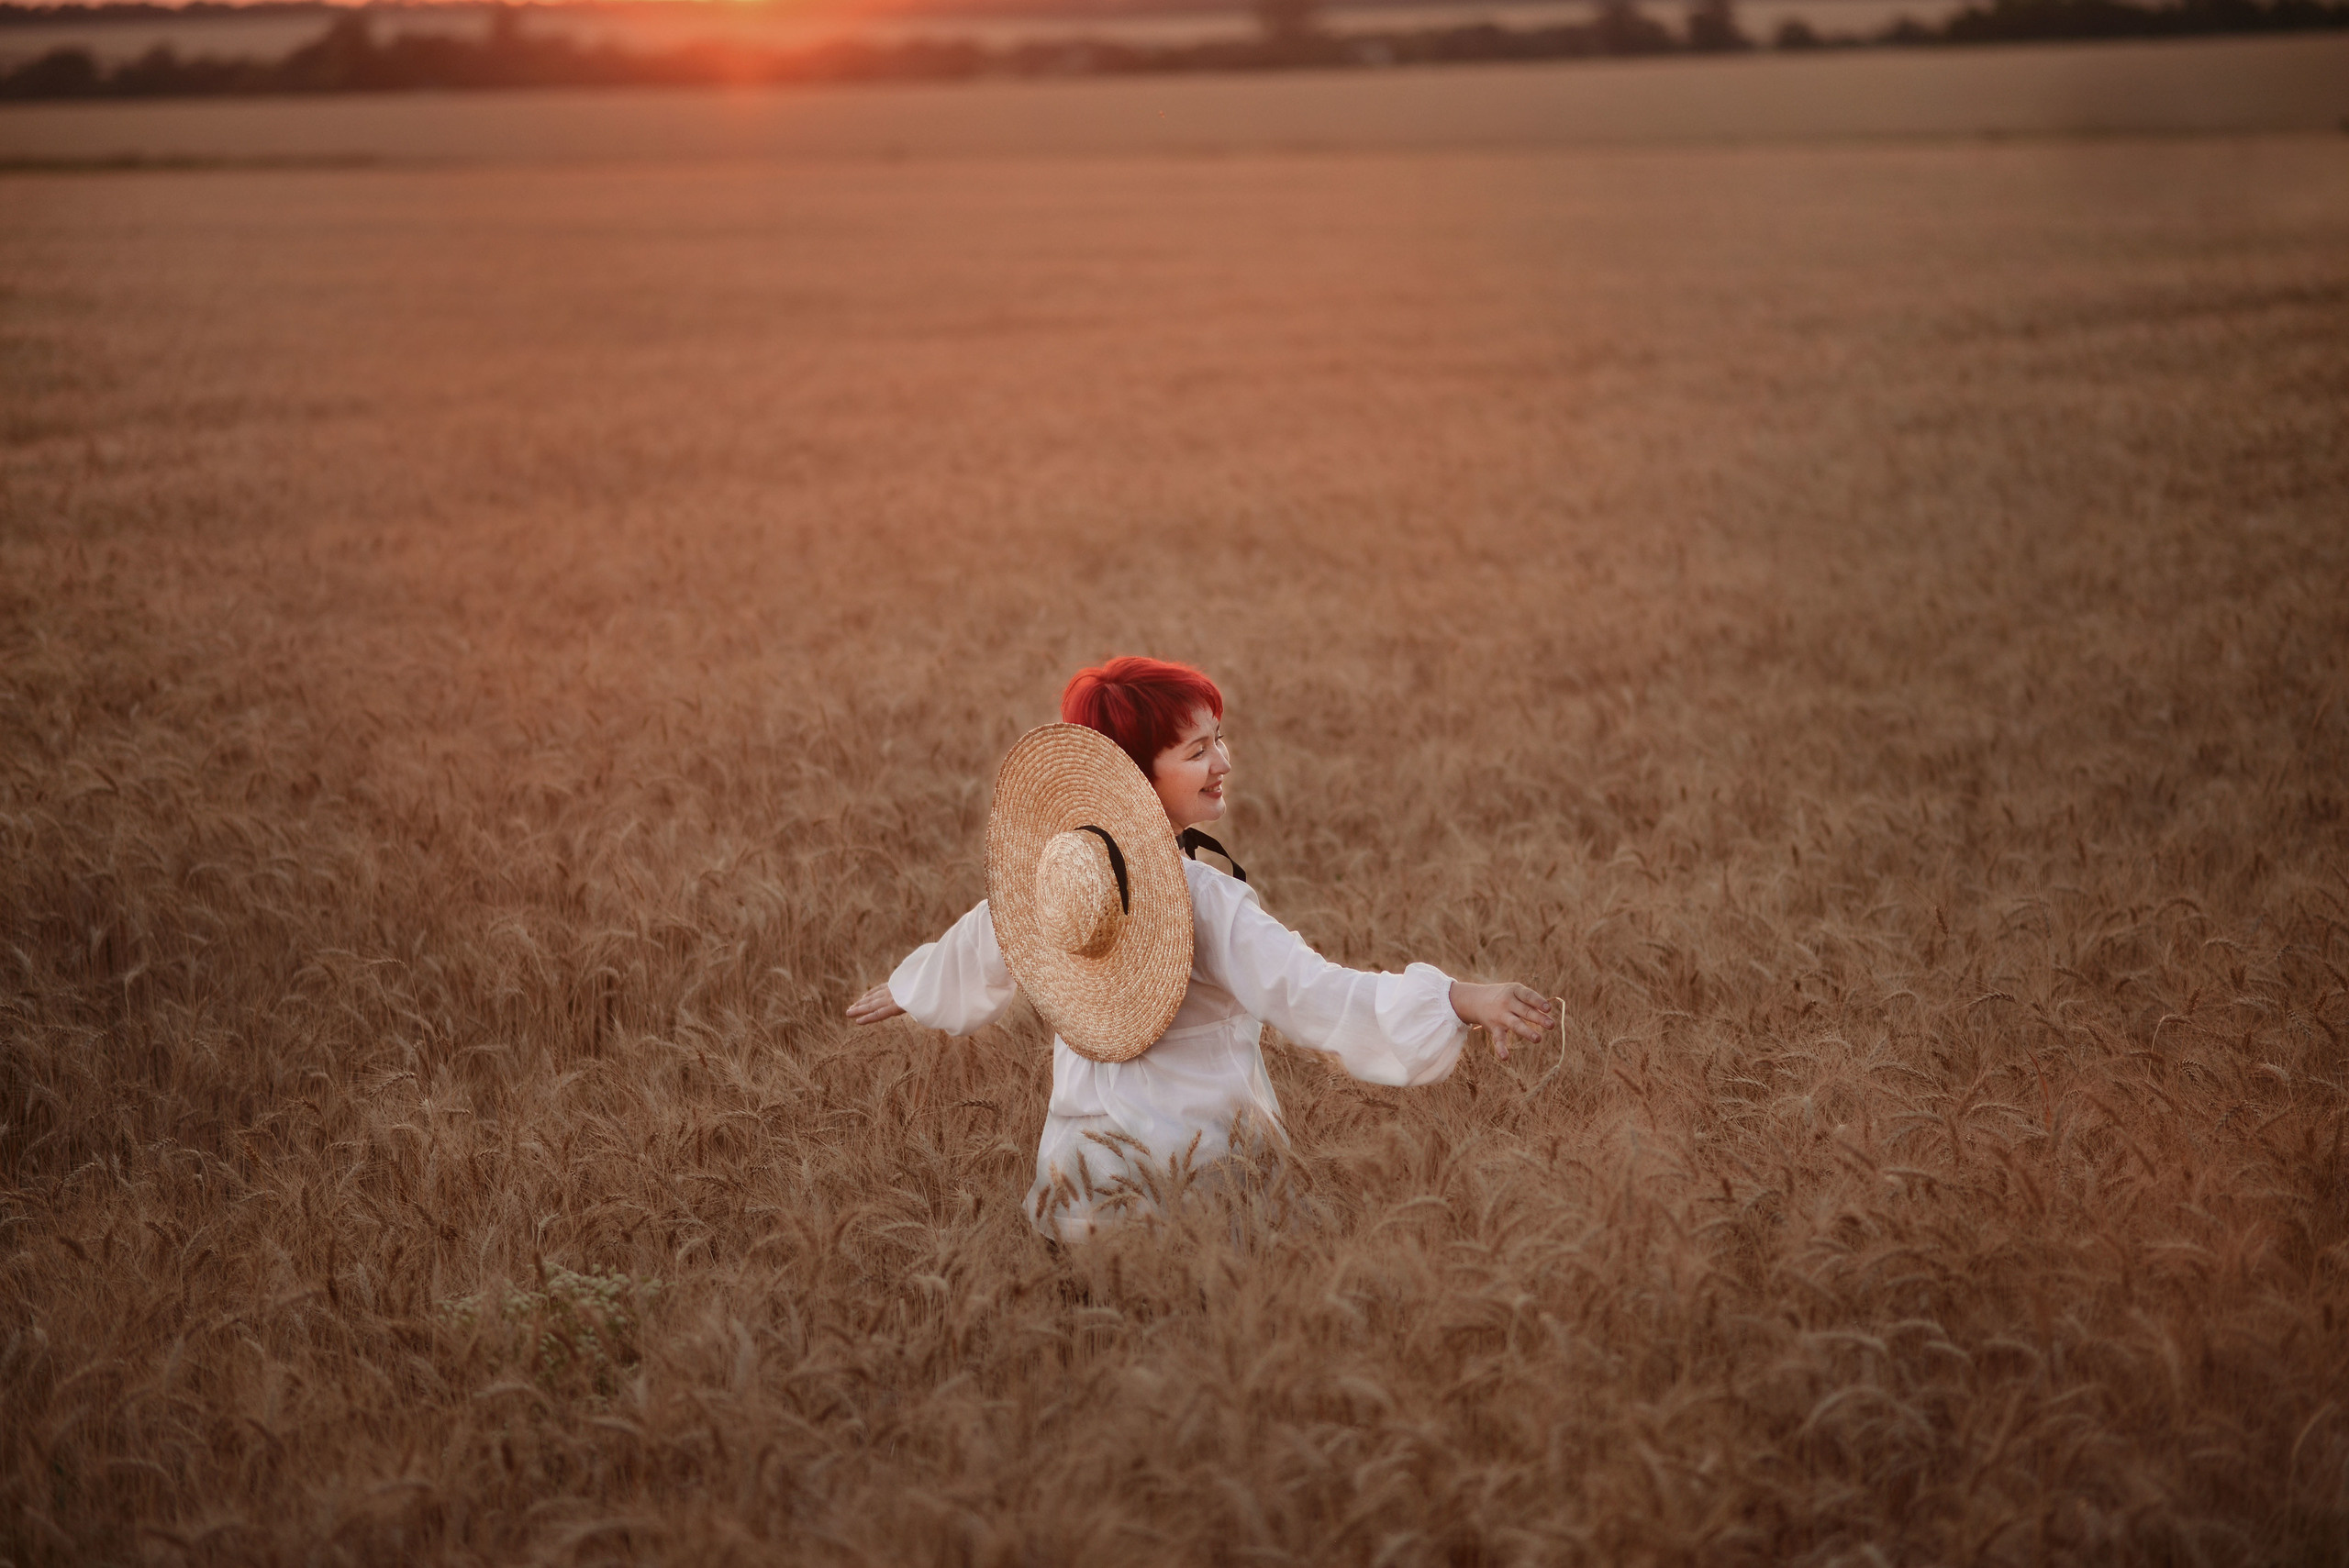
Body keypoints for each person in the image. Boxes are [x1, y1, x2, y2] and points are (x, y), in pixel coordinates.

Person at [848, 656, 1555, 1240]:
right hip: (1203, 1193)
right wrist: (1458, 998)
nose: (1222, 760)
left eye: (1220, 737)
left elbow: (987, 928)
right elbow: (1312, 993)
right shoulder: (1205, 902)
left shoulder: (1062, 876)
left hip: (1084, 1190)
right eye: (1197, 750)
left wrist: (913, 986)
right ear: (1137, 778)